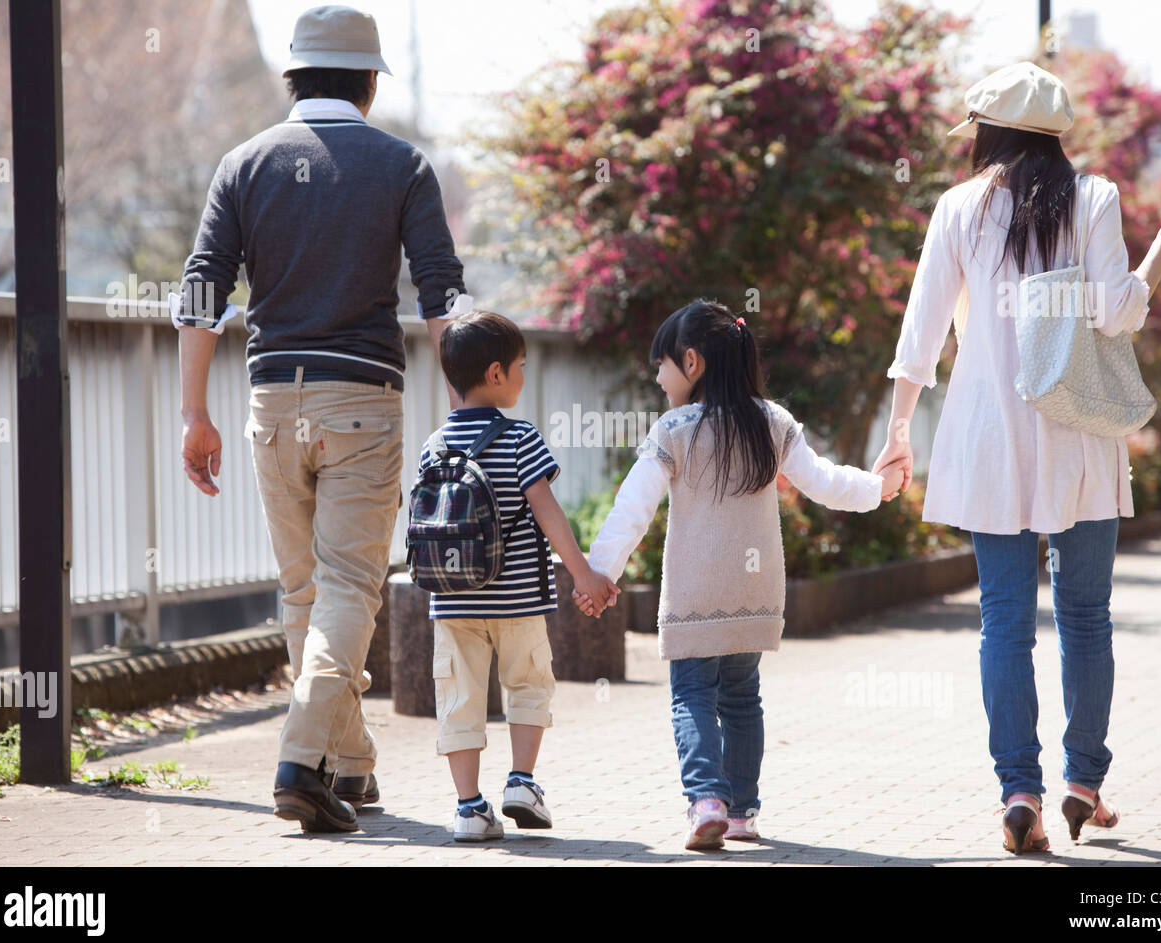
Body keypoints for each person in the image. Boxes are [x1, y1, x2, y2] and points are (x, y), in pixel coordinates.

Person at [871, 62, 1161, 853]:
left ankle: (1017, 792)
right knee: (1087, 618)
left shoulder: (957, 208)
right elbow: (1117, 313)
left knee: (1004, 623)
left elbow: (919, 337)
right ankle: (1083, 783)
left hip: (988, 443)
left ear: (988, 133)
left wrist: (897, 432)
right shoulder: (1094, 197)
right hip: (1078, 437)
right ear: (1055, 133)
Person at [175, 5, 471, 832]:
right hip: (363, 402)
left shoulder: (244, 162)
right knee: (349, 587)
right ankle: (302, 759)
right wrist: (464, 412)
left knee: (307, 590)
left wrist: (193, 412)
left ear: (294, 77)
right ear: (370, 83)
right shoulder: (402, 166)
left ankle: (352, 763)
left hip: (270, 400)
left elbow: (202, 291)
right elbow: (442, 295)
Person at [574, 300, 904, 850]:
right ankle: (742, 812)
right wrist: (879, 488)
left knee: (691, 696)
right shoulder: (772, 422)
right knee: (742, 696)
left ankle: (706, 800)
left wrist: (599, 574)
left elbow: (633, 510)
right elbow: (823, 483)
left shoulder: (673, 430)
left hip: (695, 593)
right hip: (755, 591)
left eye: (662, 364)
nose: (657, 377)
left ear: (693, 362)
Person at [418, 310, 620, 842]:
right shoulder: (520, 438)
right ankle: (521, 782)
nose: (524, 376)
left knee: (458, 698)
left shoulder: (433, 446)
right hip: (519, 601)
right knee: (528, 685)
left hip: (452, 603)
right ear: (495, 374)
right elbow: (547, 511)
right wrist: (584, 576)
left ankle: (468, 808)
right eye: (521, 366)